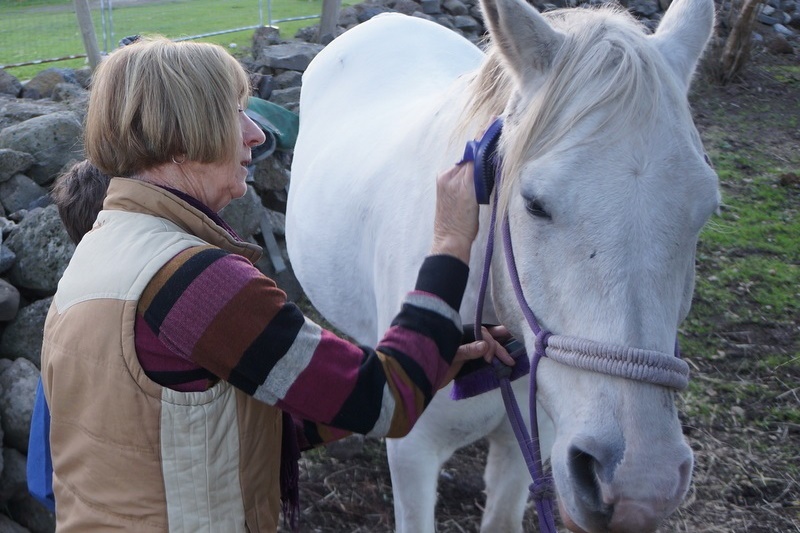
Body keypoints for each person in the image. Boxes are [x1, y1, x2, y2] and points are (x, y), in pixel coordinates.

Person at [38, 36, 512, 532]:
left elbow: (210, 428)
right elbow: (383, 402)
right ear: (179, 139)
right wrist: (451, 240)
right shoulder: (197, 281)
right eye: (234, 113)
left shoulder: (96, 257)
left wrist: (434, 360)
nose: (256, 134)